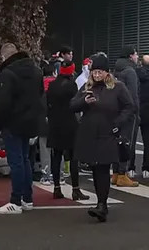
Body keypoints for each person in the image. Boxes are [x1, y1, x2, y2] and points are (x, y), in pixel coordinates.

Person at [71, 54, 135, 223]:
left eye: (100, 72)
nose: (97, 75)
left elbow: (129, 107)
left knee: (103, 169)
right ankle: (101, 204)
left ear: (107, 73)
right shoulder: (87, 87)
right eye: (94, 72)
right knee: (95, 168)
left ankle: (102, 205)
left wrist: (118, 123)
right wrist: (84, 101)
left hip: (108, 133)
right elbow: (72, 105)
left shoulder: (118, 87)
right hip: (89, 134)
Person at [0, 42, 45, 214]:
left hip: (13, 123)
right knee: (25, 160)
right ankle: (27, 198)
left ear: (4, 56)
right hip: (30, 123)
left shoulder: (7, 74)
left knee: (16, 162)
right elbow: (40, 96)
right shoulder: (36, 72)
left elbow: (2, 104)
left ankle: (15, 200)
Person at [47, 62, 87, 201]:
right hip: (69, 123)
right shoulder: (72, 85)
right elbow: (75, 103)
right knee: (73, 157)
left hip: (55, 124)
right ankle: (75, 189)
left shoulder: (52, 85)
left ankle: (56, 188)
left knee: (56, 156)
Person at [110, 48, 141, 186]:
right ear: (130, 56)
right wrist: (135, 110)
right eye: (135, 54)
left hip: (116, 111)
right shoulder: (130, 72)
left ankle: (116, 173)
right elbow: (133, 94)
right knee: (127, 142)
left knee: (118, 142)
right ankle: (123, 174)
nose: (137, 56)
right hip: (129, 112)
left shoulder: (116, 70)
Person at [135, 54, 149, 179]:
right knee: (147, 141)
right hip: (148, 112)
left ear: (140, 63)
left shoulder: (135, 76)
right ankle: (146, 168)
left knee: (132, 141)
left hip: (136, 111)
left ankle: (131, 167)